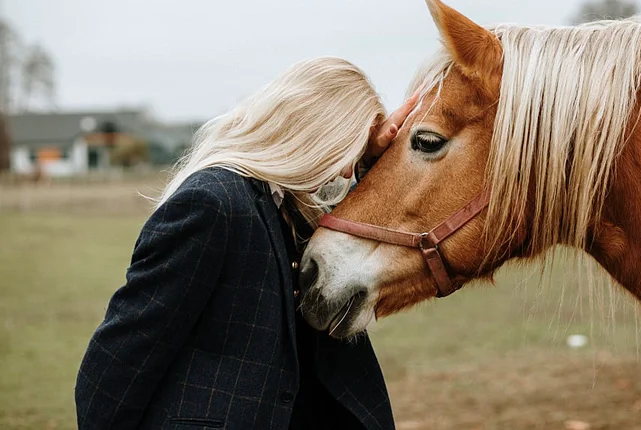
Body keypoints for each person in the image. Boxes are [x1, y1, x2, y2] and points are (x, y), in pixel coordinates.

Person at [74, 56, 418, 429]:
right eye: (348, 151)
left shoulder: (288, 205)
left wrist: (369, 165)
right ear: (319, 135)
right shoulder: (212, 202)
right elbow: (119, 359)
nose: (347, 170)